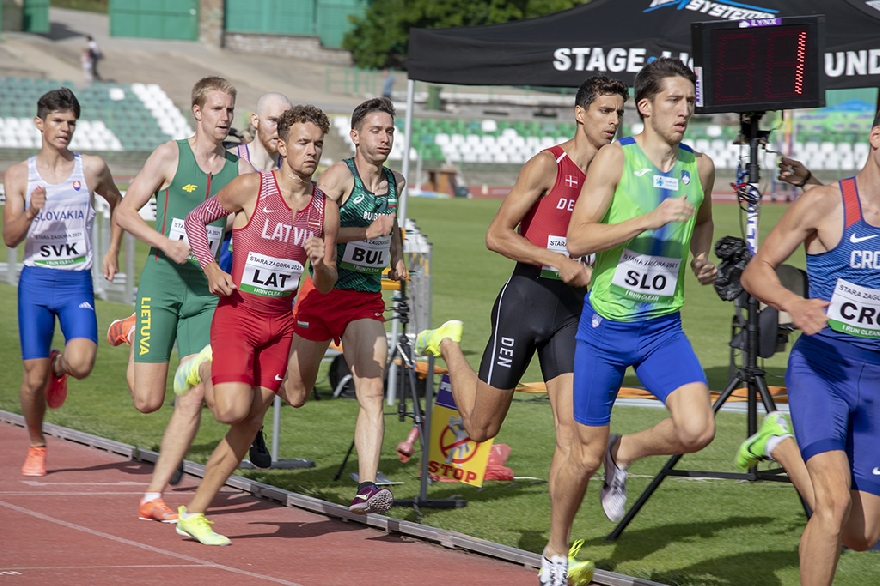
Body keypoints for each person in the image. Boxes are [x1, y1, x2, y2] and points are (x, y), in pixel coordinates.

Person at [413, 75, 629, 585]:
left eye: (620, 113)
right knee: (482, 429)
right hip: (526, 301)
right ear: (580, 113)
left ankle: (556, 551)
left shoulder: (616, 173)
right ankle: (447, 342)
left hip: (575, 309)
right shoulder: (546, 165)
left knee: (572, 435)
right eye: (605, 111)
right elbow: (496, 235)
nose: (614, 122)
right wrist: (557, 258)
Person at [563, 57, 717, 581]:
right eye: (674, 100)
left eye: (691, 101)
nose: (684, 110)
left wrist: (701, 257)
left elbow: (703, 221)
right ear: (645, 107)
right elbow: (578, 239)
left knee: (699, 429)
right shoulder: (614, 160)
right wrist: (649, 218)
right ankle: (555, 549)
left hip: (661, 330)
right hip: (606, 331)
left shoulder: (700, 167)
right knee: (582, 459)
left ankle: (623, 451)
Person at [173, 105, 338, 546]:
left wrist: (320, 263)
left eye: (318, 143)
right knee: (229, 409)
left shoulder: (325, 208)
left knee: (247, 422)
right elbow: (195, 220)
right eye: (303, 142)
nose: (312, 151)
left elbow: (326, 280)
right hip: (239, 315)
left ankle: (195, 513)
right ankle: (201, 367)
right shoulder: (251, 188)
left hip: (281, 324)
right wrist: (209, 267)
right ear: (281, 146)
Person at [734, 111, 880, 586]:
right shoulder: (823, 203)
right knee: (833, 505)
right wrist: (792, 303)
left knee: (862, 535)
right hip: (823, 370)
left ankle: (779, 442)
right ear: (876, 136)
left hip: (876, 381)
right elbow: (756, 271)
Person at [110, 77, 242, 524]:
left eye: (230, 110)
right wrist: (164, 244)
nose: (225, 118)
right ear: (198, 111)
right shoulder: (170, 155)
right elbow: (123, 212)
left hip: (204, 295)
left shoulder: (238, 172)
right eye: (218, 109)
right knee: (147, 401)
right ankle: (133, 329)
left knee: (194, 392)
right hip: (162, 284)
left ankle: (154, 495)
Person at [279, 96, 407, 515]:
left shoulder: (396, 182)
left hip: (364, 298)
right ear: (355, 136)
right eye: (376, 130)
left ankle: (367, 488)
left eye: (389, 130)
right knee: (295, 394)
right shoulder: (338, 177)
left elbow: (392, 227)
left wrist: (397, 255)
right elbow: (318, 232)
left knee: (372, 389)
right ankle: (254, 396)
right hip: (322, 294)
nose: (384, 138)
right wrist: (368, 230)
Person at [2, 87, 123, 476]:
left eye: (71, 123)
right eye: (57, 121)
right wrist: (31, 212)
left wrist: (112, 250)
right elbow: (10, 237)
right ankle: (37, 445)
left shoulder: (91, 169)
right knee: (32, 380)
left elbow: (119, 203)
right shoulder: (19, 175)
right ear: (40, 124)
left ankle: (59, 366)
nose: (64, 129)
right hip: (36, 283)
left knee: (82, 364)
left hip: (76, 284)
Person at [216, 91, 294, 468]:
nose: (281, 127)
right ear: (254, 120)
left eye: (286, 120)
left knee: (265, 356)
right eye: (275, 119)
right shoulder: (235, 162)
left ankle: (255, 426)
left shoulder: (290, 167)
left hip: (270, 274)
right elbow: (210, 215)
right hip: (226, 262)